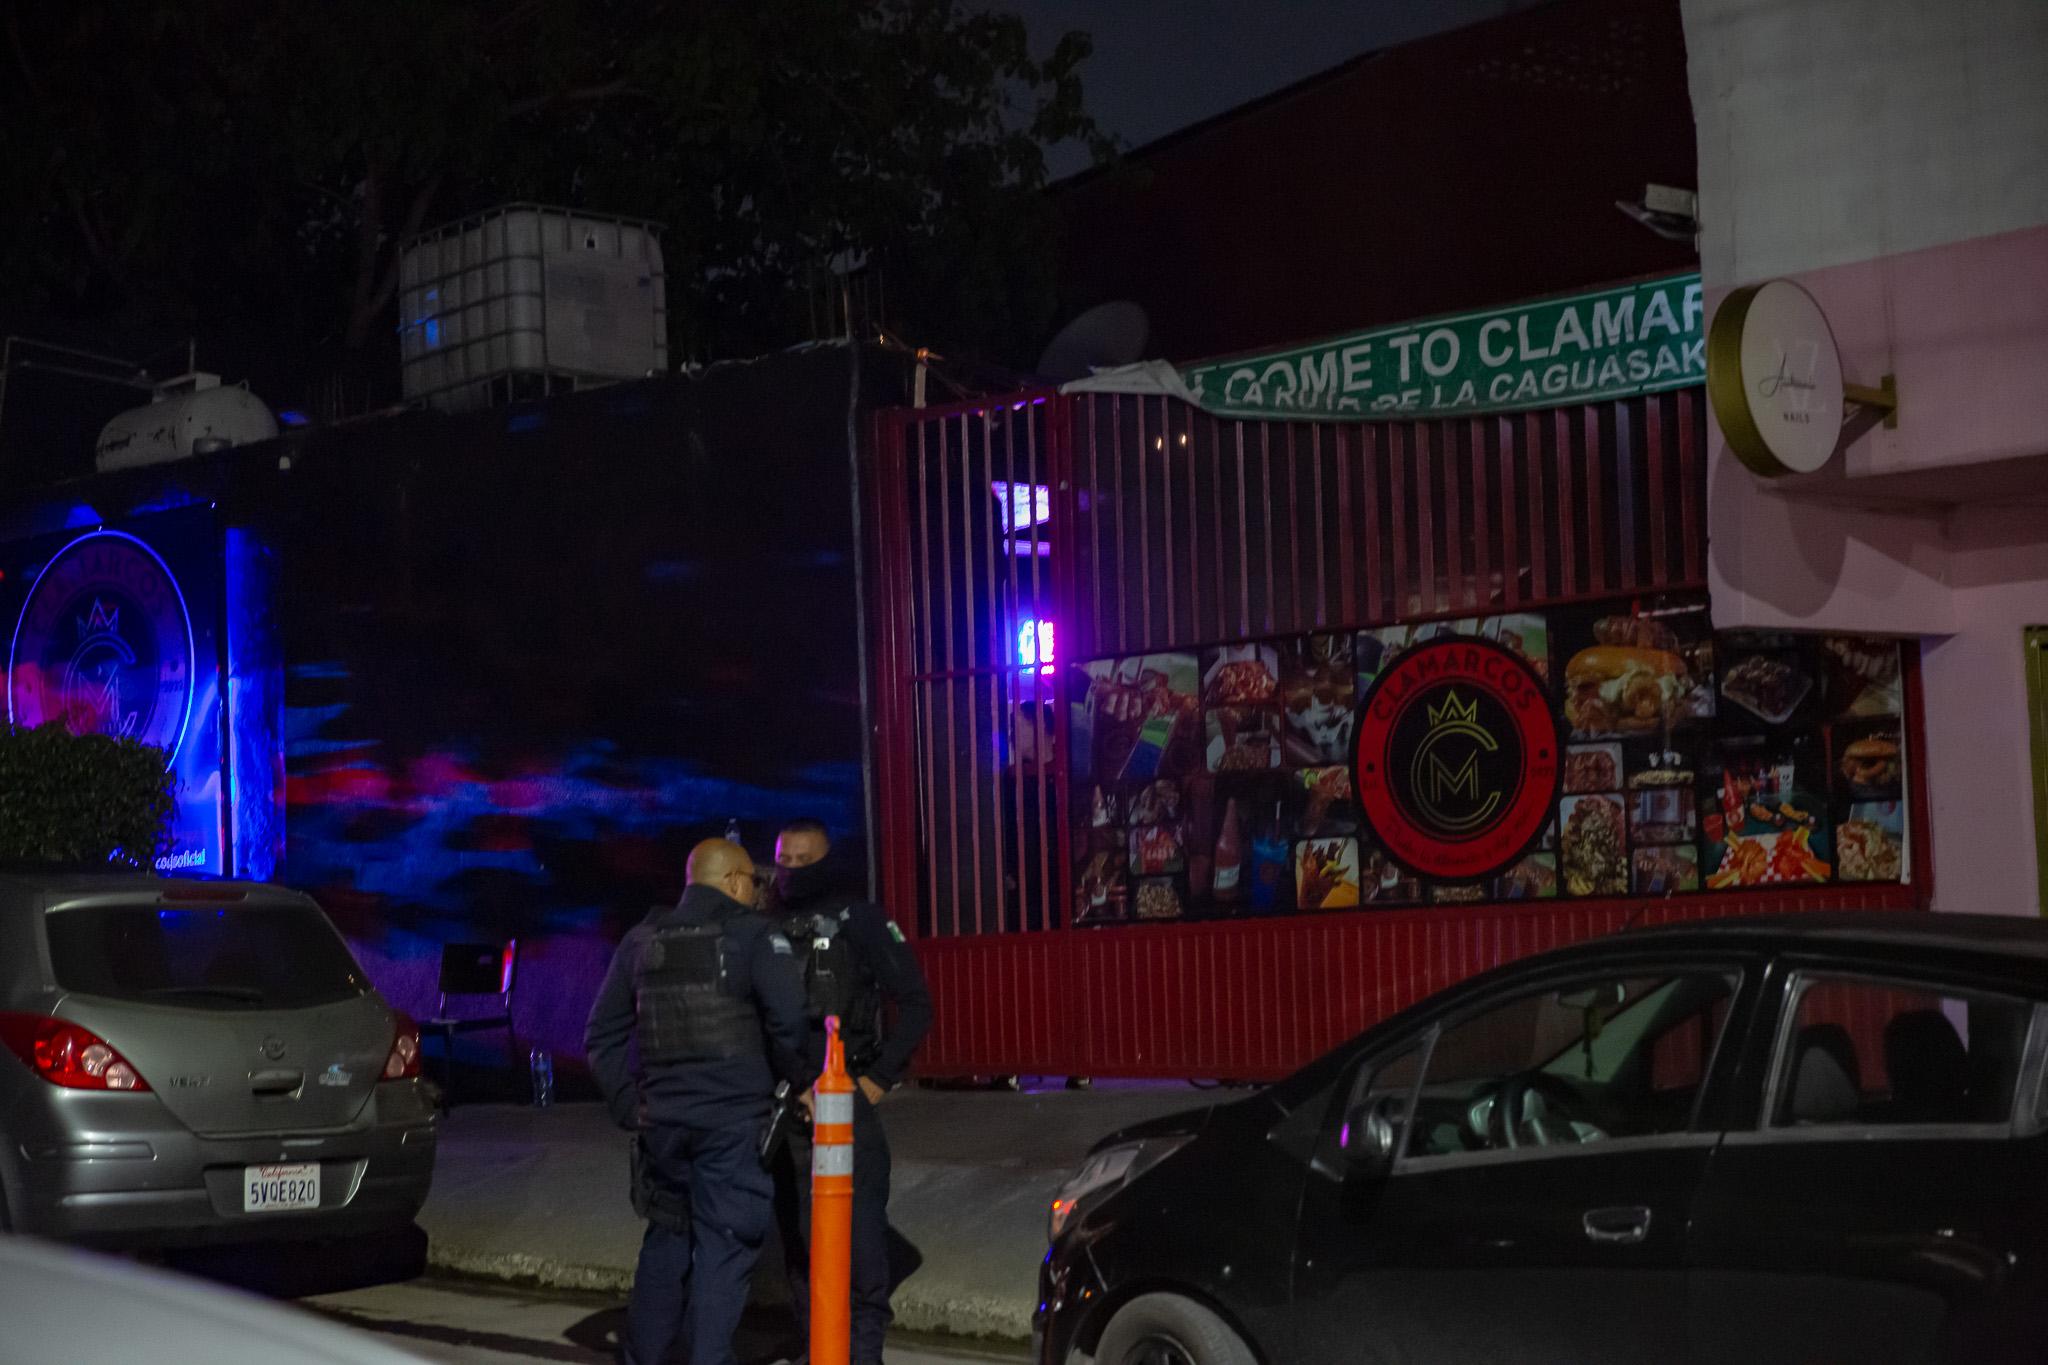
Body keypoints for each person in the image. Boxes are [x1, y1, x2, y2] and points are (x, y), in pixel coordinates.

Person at [586, 838, 814, 1365]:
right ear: (732, 881)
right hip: (732, 1127)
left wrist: (629, 1106)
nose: (756, 892)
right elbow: (789, 1024)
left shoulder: (642, 941)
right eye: (752, 882)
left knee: (668, 1239)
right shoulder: (754, 936)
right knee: (724, 1249)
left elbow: (600, 1036)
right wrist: (799, 1081)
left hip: (662, 1128)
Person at [768, 819, 933, 1365]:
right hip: (788, 1106)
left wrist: (878, 1079)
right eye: (783, 861)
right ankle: (817, 1350)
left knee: (861, 1246)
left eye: (802, 861)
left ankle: (863, 1355)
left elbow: (916, 1003)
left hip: (848, 1100)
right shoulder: (762, 928)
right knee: (801, 1243)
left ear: (825, 861)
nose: (790, 871)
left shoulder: (859, 920)